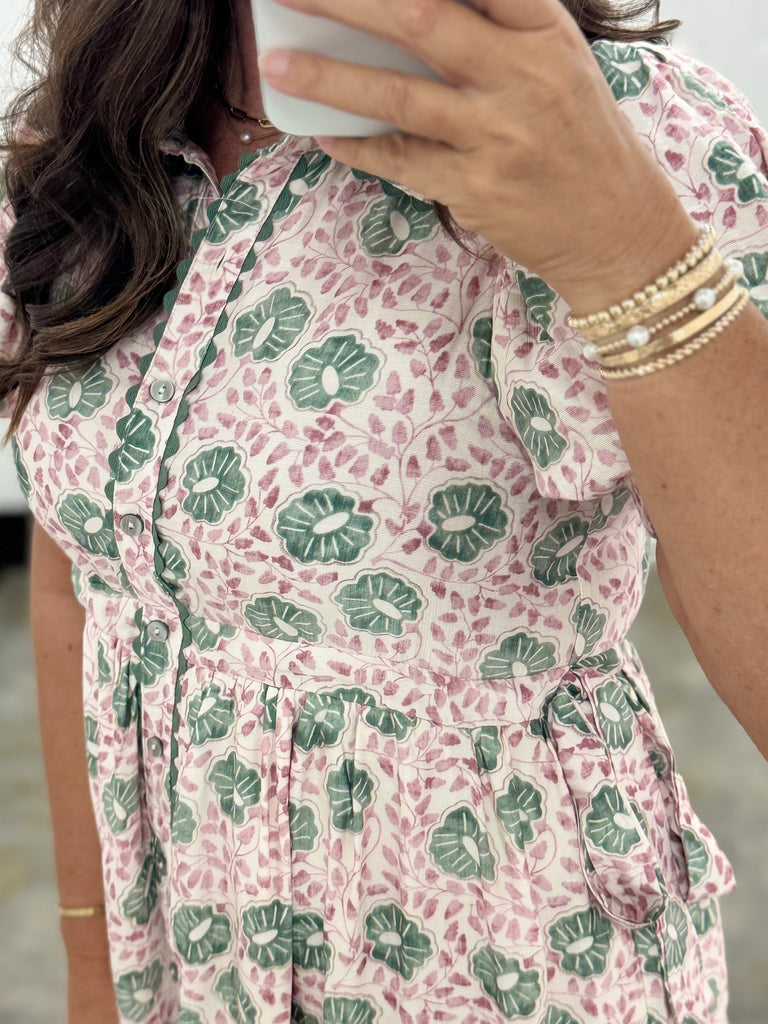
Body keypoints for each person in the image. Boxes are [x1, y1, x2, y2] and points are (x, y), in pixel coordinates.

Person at [1, 0, 767, 1020]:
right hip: (195, 973)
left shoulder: (615, 126)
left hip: (509, 971)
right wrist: (93, 963)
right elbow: (86, 574)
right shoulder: (106, 119)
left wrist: (626, 245)